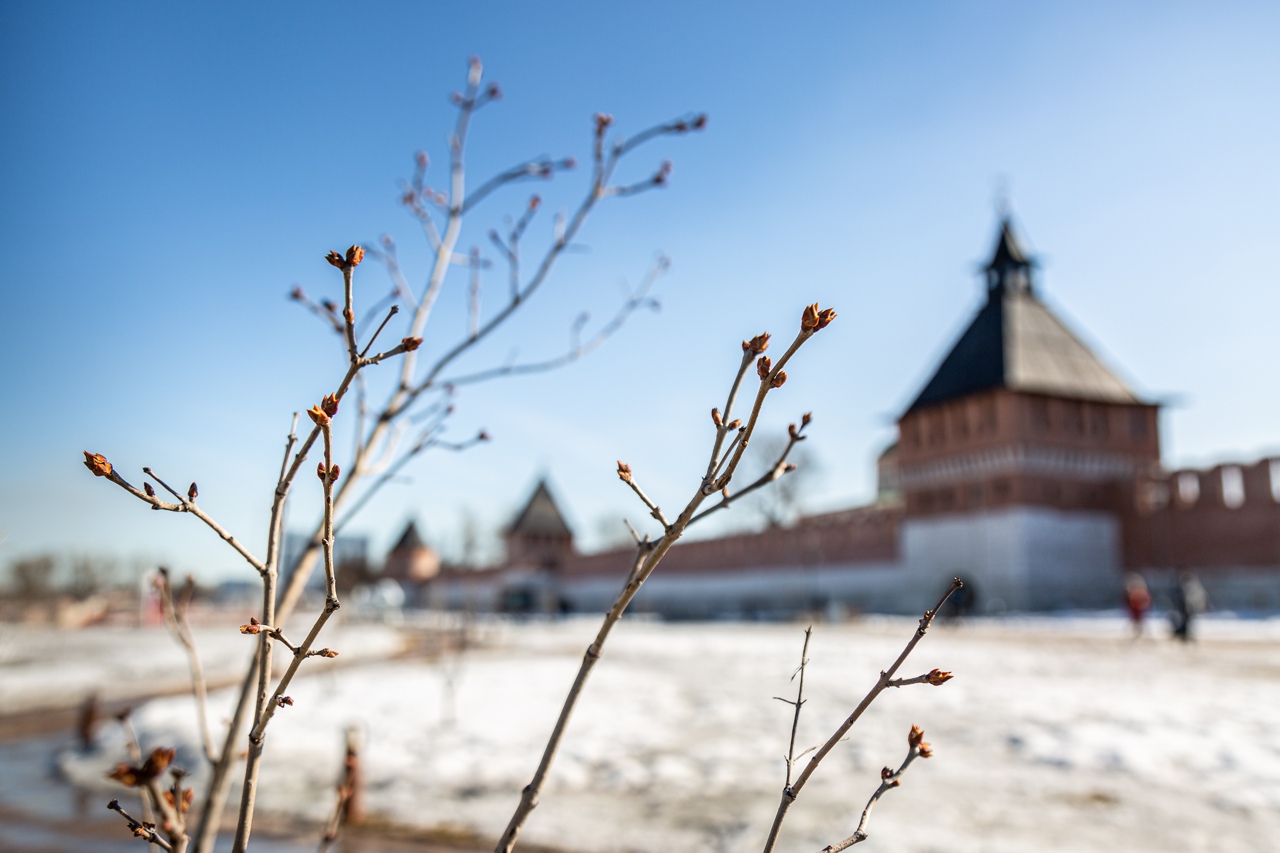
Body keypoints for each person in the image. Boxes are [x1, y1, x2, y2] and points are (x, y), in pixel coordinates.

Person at [1170, 571, 1207, 642]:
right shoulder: (1184, 587)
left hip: (1188, 608)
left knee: (1186, 622)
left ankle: (1183, 634)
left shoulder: (1191, 587)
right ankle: (1182, 634)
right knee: (1183, 621)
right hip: (1184, 608)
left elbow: (1196, 597)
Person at [1122, 573, 1151, 639]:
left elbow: (1146, 600)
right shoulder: (1132, 594)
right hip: (1135, 607)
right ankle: (1137, 632)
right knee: (1137, 620)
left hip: (1138, 607)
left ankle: (1139, 632)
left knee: (1139, 620)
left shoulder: (1140, 593)